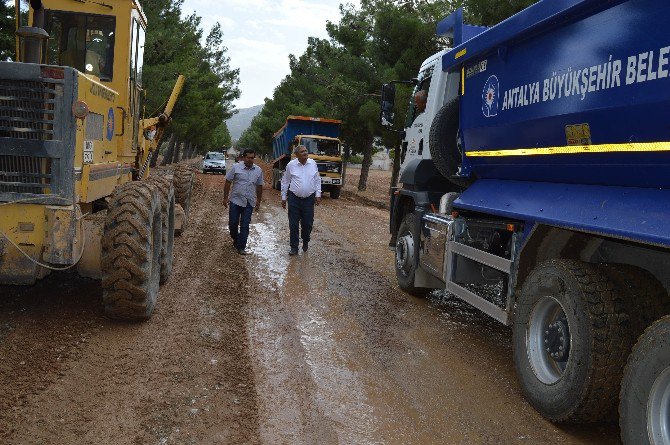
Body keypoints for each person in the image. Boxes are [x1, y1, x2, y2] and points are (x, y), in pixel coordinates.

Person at [281, 145, 321, 256]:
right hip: (294, 199)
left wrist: (318, 194)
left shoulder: (313, 163)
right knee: (293, 224)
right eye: (302, 152)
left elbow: (317, 180)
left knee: (308, 223)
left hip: (309, 199)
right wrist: (284, 198)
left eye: (306, 151)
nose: (305, 153)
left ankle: (306, 240)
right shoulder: (291, 165)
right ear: (297, 155)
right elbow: (285, 181)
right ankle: (294, 247)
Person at [223, 148, 264, 255]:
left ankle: (241, 247)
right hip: (236, 200)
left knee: (245, 225)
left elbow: (259, 186)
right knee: (233, 224)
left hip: (249, 202)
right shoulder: (236, 168)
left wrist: (258, 201)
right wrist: (225, 197)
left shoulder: (258, 170)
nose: (250, 160)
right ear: (243, 157)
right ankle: (236, 239)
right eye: (248, 157)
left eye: (252, 158)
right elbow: (228, 182)